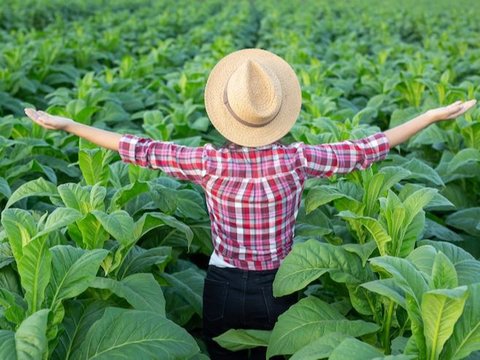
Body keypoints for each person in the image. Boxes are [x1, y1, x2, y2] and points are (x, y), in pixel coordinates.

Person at [25, 48, 476, 360]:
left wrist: (70, 126)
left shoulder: (208, 163)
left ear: (227, 115)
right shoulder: (297, 159)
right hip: (281, 286)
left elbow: (138, 147)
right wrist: (429, 115)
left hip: (222, 285)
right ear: (277, 118)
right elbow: (366, 148)